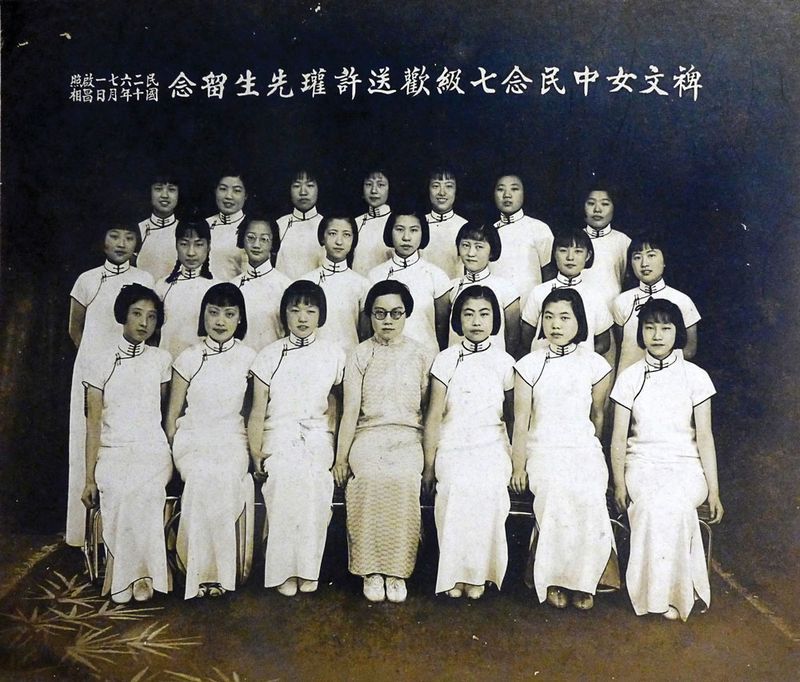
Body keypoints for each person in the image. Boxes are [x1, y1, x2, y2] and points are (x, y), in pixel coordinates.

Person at [610, 298, 723, 621]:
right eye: (649, 327)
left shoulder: (696, 376)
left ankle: (678, 595)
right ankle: (651, 596)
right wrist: (619, 482)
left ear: (678, 333)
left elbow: (705, 437)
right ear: (640, 333)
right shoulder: (629, 377)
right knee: (650, 505)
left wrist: (713, 491)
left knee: (674, 504)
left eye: (665, 327)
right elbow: (618, 438)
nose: (657, 335)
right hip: (642, 465)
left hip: (686, 468)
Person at [511, 288, 617, 611]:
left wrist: (590, 450)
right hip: (543, 448)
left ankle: (586, 581)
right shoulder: (529, 365)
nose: (555, 324)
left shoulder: (596, 365)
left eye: (564, 317)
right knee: (556, 490)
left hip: (582, 447)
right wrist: (518, 466)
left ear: (579, 322)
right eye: (549, 317)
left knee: (587, 490)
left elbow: (598, 417)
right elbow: (520, 421)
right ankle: (554, 578)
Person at [332, 280, 434, 603]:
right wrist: (340, 458)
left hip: (407, 437)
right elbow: (349, 412)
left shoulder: (421, 355)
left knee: (404, 479)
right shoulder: (360, 355)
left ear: (406, 315)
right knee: (370, 478)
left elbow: (427, 408)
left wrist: (429, 462)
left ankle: (397, 570)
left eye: (395, 313)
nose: (387, 321)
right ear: (370, 316)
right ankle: (370, 569)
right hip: (368, 436)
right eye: (379, 314)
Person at [248, 281, 345, 596]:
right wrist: (255, 450)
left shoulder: (333, 354)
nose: (302, 317)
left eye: (310, 310)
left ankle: (308, 569)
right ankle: (283, 571)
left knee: (317, 481)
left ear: (321, 315)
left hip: (317, 434)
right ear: (284, 314)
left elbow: (340, 405)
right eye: (295, 309)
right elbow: (258, 411)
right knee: (286, 478)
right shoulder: (268, 355)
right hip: (279, 434)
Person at [80, 284, 172, 604]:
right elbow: (92, 425)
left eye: (151, 317)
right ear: (123, 315)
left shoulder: (161, 360)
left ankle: (144, 577)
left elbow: (159, 412)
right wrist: (89, 478)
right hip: (113, 449)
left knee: (145, 493)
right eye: (137, 314)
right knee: (119, 492)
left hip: (152, 449)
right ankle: (124, 578)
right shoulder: (99, 361)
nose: (144, 323)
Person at [165, 283, 257, 599]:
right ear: (203, 315)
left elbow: (254, 411)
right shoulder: (188, 357)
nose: (220, 320)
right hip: (193, 437)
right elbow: (173, 414)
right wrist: (169, 451)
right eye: (214, 312)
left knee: (225, 477)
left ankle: (217, 575)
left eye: (229, 314)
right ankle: (194, 570)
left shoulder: (249, 358)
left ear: (240, 319)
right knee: (203, 477)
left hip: (232, 438)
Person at [66, 221, 154, 547]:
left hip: (129, 371)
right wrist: (94, 361)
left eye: (129, 237)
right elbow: (75, 328)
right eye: (114, 235)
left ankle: (119, 537)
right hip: (91, 370)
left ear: (137, 244)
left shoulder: (144, 279)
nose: (121, 243)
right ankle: (83, 535)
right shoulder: (87, 280)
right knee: (87, 440)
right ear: (103, 240)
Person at [423, 286, 514, 599]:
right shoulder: (445, 360)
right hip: (453, 440)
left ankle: (479, 575)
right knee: (456, 485)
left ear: (495, 320)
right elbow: (434, 416)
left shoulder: (505, 362)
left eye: (484, 313)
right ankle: (453, 576)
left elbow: (513, 418)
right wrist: (428, 466)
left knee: (488, 485)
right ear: (457, 320)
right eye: (468, 313)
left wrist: (518, 462)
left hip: (492, 442)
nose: (476, 321)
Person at [612, 235, 700, 373]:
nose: (644, 263)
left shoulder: (682, 300)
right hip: (627, 381)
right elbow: (619, 345)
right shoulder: (622, 301)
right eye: (637, 257)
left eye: (651, 255)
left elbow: (690, 350)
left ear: (664, 260)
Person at [367, 209, 451, 355]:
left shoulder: (436, 275)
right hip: (385, 357)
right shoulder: (375, 275)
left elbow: (442, 328)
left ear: (423, 233)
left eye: (414, 230)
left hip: (426, 356)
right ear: (390, 232)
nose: (406, 237)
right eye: (399, 230)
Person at [520, 228, 612, 356]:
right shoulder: (539, 291)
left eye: (578, 251)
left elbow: (604, 342)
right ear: (554, 254)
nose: (570, 257)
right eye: (563, 251)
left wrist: (578, 358)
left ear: (588, 256)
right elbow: (526, 337)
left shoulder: (594, 295)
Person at [300, 214, 371, 354]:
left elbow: (365, 335)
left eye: (346, 235)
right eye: (332, 234)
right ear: (322, 237)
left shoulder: (362, 284)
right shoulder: (306, 282)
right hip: (314, 357)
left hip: (350, 357)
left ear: (353, 240)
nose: (339, 241)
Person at [447, 222, 520, 355]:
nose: (471, 253)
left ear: (491, 251)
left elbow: (513, 338)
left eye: (479, 247)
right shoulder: (450, 287)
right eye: (465, 245)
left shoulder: (506, 289)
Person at [155, 217, 219, 359]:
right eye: (184, 244)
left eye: (198, 244)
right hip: (168, 362)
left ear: (208, 246)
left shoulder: (217, 287)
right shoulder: (162, 286)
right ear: (176, 245)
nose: (191, 252)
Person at [491, 173, 553, 307]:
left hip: (531, 307)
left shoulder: (539, 228)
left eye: (514, 189)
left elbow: (549, 274)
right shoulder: (488, 232)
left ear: (524, 193)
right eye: (501, 189)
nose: (507, 195)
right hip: (495, 307)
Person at [231, 216, 291, 351]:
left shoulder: (285, 286)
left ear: (273, 243)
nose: (256, 245)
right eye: (251, 238)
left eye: (264, 239)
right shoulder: (232, 287)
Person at [578, 185, 631, 308]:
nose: (597, 209)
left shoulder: (623, 241)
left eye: (605, 204)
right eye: (591, 203)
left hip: (613, 309)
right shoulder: (574, 240)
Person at [275, 169, 325, 279]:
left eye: (310, 185)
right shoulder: (279, 225)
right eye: (297, 186)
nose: (303, 192)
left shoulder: (326, 226)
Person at [422, 167, 468, 279]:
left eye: (449, 186)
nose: (442, 193)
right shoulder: (418, 224)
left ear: (456, 190)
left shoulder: (465, 226)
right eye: (436, 186)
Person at [137, 172, 181, 281]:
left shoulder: (184, 231)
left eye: (171, 190)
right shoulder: (139, 229)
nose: (164, 195)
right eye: (158, 189)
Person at [206, 171, 248, 280]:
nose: (228, 196)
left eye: (237, 191)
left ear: (246, 195)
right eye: (223, 189)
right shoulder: (205, 224)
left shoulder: (251, 227)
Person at [352, 168, 393, 276]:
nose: (374, 191)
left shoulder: (396, 222)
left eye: (380, 185)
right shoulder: (355, 223)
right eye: (369, 184)